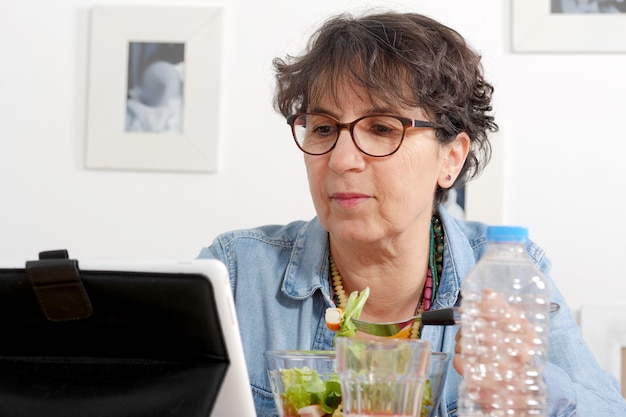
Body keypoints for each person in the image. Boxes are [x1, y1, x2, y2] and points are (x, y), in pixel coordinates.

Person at [198, 11, 626, 417]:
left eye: (382, 128)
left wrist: (529, 386)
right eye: (324, 128)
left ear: (451, 159)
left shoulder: (505, 272)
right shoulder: (237, 272)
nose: (342, 159)